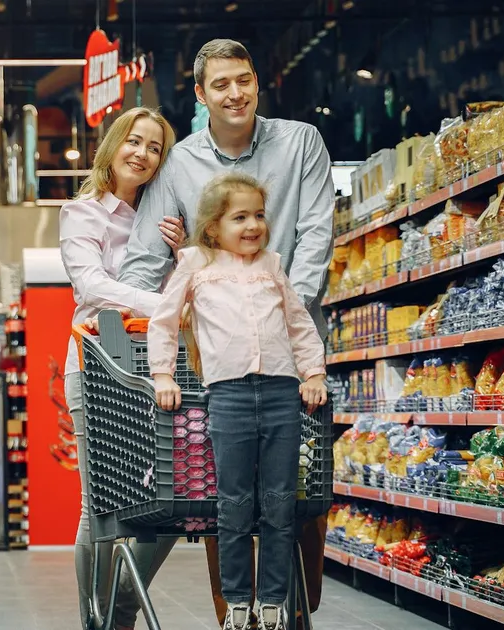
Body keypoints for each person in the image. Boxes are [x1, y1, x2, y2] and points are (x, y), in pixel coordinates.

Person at [117, 38, 335, 628]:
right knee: (226, 495)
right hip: (217, 362)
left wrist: (278, 300)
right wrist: (179, 286)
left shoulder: (300, 143)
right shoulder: (180, 163)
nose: (234, 93)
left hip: (294, 351)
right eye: (221, 84)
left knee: (300, 498)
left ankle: (294, 604)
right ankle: (235, 611)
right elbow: (141, 262)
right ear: (200, 94)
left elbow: (316, 234)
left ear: (257, 81)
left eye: (243, 79)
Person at [147, 172, 328, 630]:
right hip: (226, 395)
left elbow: (299, 324)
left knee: (279, 501)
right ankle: (236, 602)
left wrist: (313, 372)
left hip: (282, 392)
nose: (253, 226)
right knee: (233, 502)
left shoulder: (271, 264)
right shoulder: (195, 264)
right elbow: (164, 322)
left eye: (260, 215)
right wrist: (163, 374)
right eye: (240, 217)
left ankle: (272, 601)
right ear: (213, 227)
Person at [58, 106, 184, 630]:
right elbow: (92, 287)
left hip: (156, 368)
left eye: (155, 148)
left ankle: (122, 607)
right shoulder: (82, 212)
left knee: (176, 497)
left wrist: (184, 255)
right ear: (113, 145)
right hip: (95, 364)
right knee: (101, 505)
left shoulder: (164, 222)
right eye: (135, 141)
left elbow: (188, 285)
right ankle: (94, 618)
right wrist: (165, 305)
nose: (143, 154)